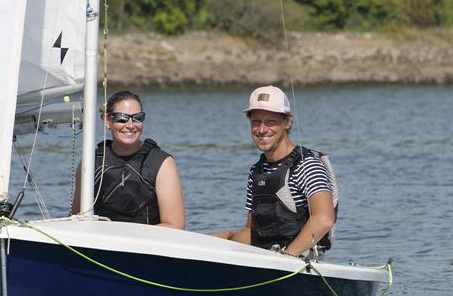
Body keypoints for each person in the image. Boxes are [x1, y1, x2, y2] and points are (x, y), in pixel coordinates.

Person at [214, 85, 335, 257]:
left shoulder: (308, 165)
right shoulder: (256, 171)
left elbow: (324, 219)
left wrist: (287, 257)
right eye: (256, 122)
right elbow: (251, 232)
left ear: (288, 122)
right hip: (270, 261)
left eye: (270, 121)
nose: (262, 130)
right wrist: (226, 239)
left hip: (301, 265)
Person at [70, 90, 185, 230]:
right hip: (100, 244)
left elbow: (175, 226)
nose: (130, 125)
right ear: (107, 120)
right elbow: (76, 217)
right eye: (122, 118)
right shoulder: (90, 162)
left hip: (145, 246)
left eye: (137, 118)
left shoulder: (162, 163)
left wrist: (124, 236)